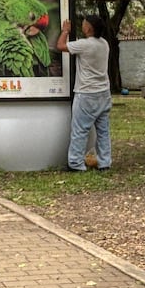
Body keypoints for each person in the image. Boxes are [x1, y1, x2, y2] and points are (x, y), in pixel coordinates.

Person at [56, 15, 112, 172]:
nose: (82, 25)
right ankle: (104, 163)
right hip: (104, 93)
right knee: (103, 131)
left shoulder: (84, 45)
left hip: (86, 93)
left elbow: (60, 46)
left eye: (84, 24)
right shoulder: (104, 44)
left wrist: (65, 31)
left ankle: (75, 164)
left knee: (80, 130)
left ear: (89, 28)